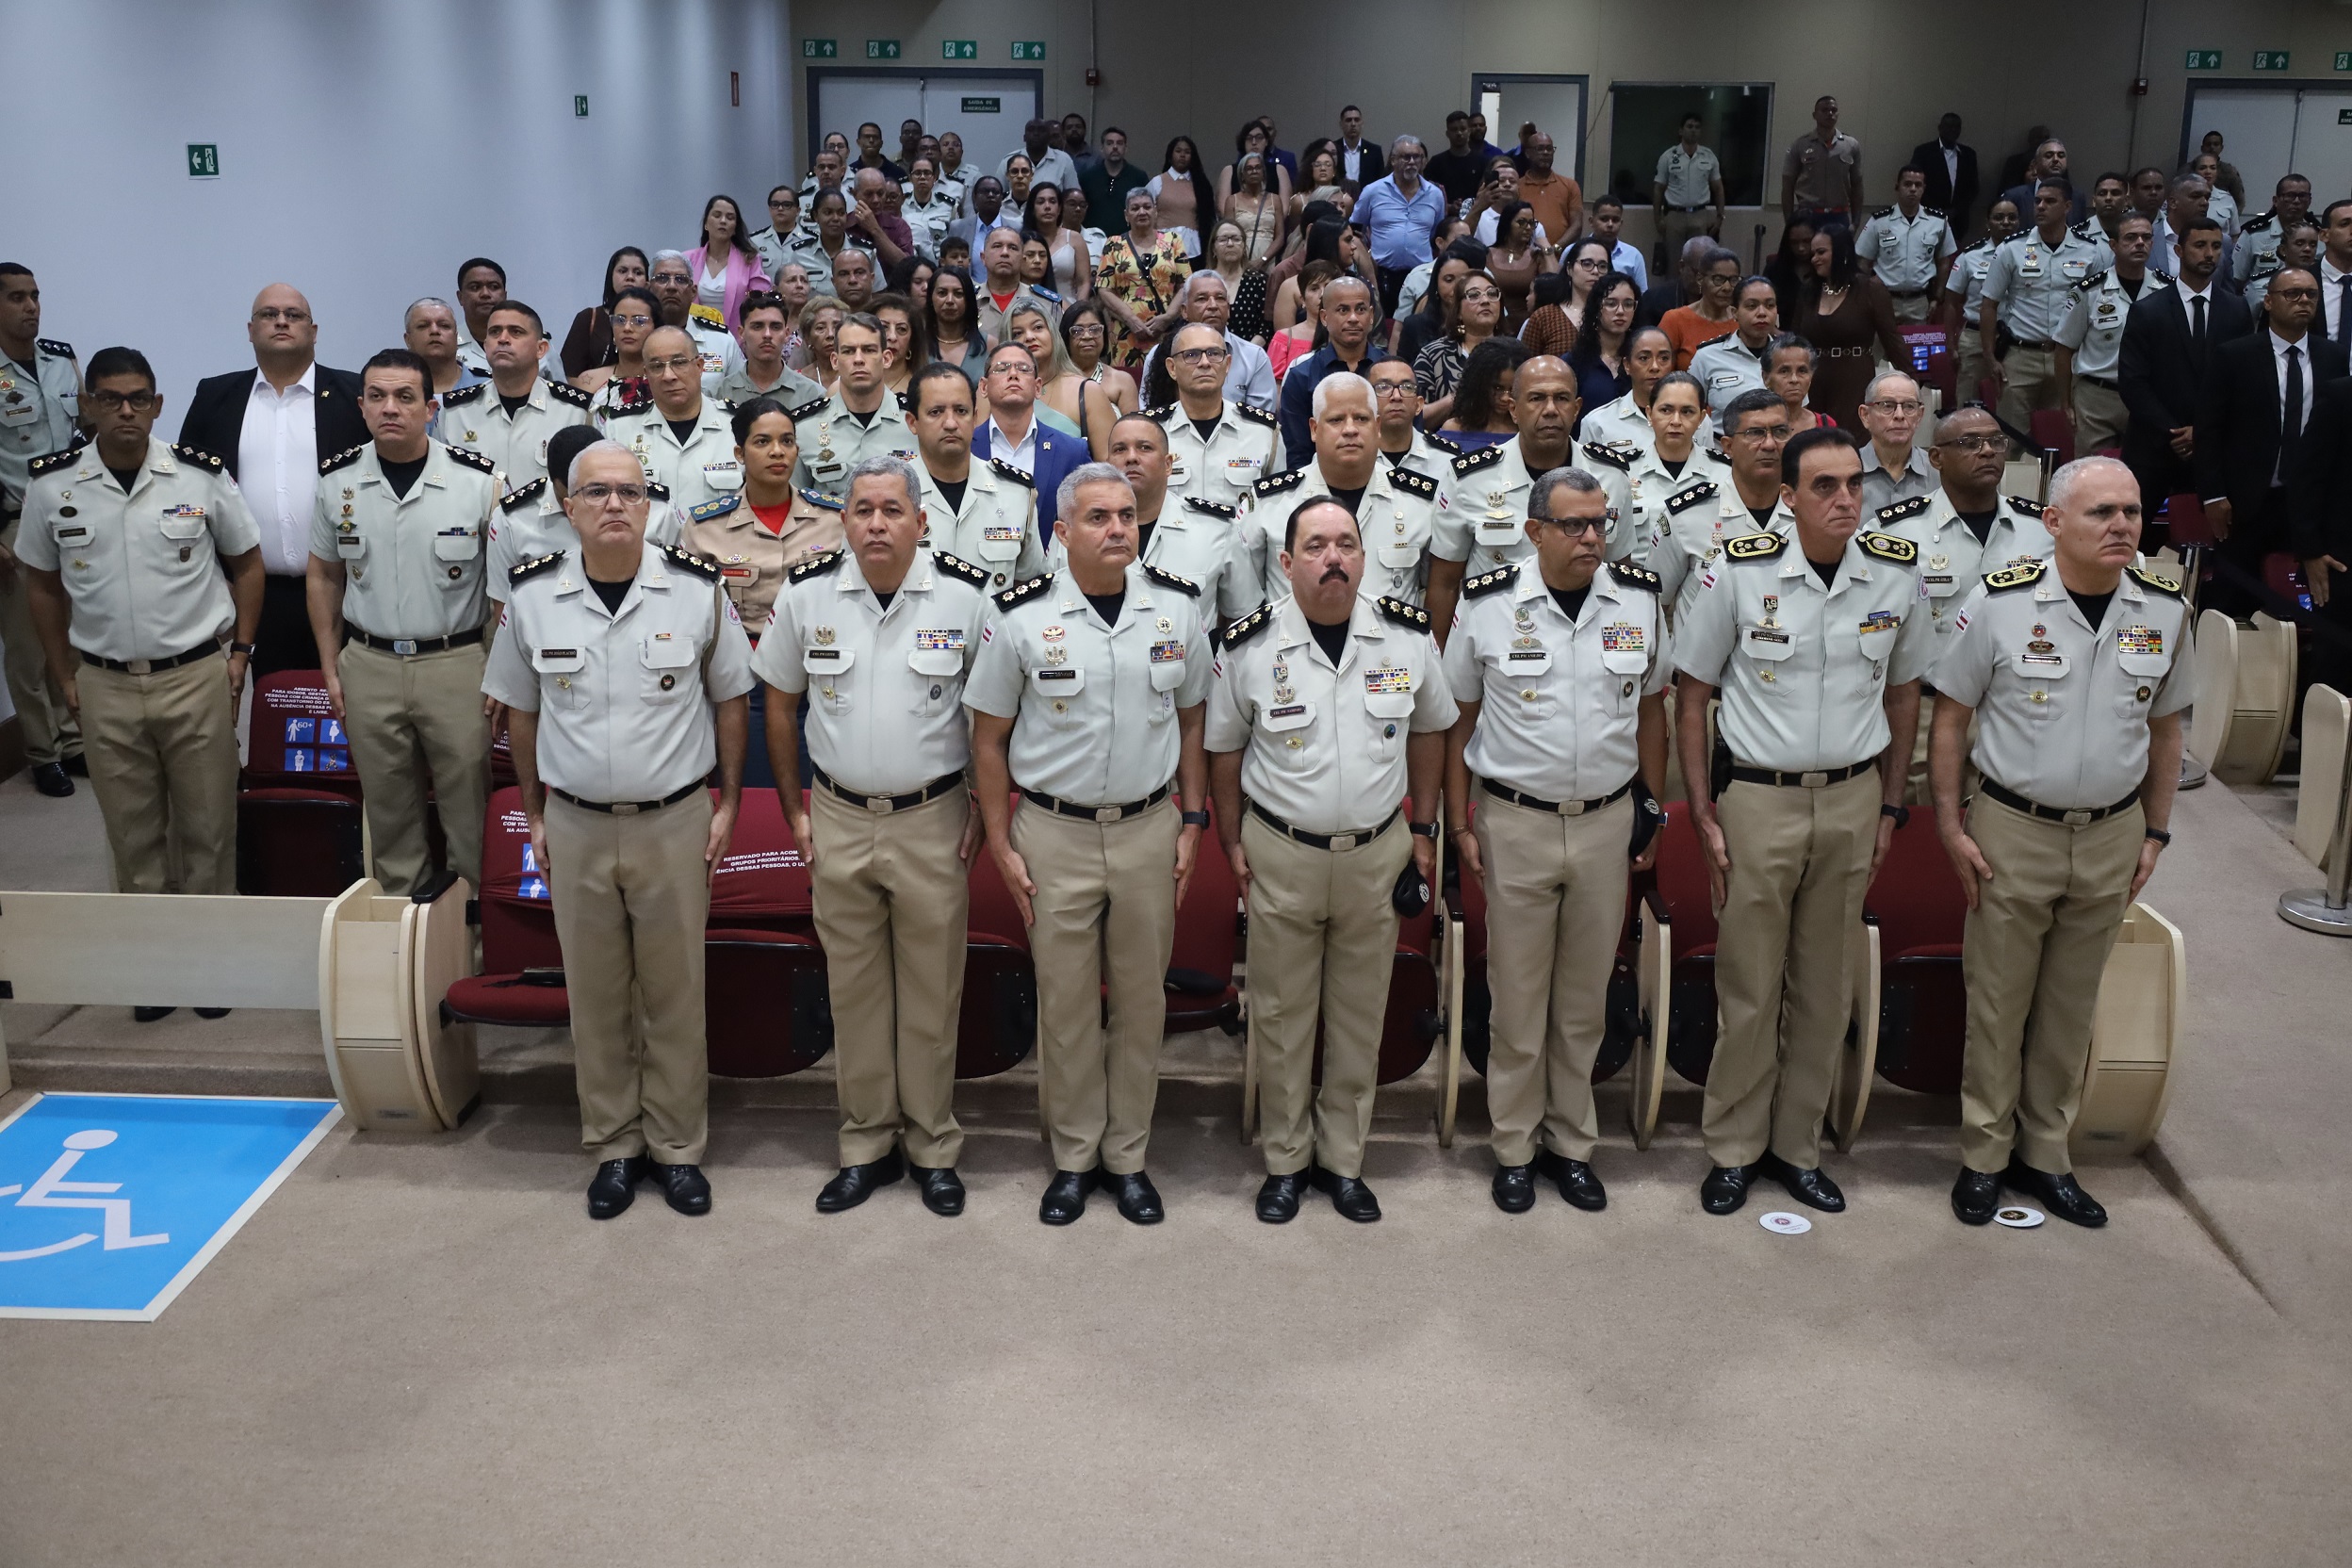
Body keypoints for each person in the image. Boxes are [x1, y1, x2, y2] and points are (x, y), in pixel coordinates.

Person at [485, 439, 750, 1219]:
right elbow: (521, 712)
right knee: (597, 998)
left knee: (675, 993)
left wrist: (727, 802)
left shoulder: (696, 591)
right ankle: (613, 1144)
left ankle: (676, 1147)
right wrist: (533, 813)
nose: (613, 505)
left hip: (673, 820)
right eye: (595, 493)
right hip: (573, 825)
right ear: (567, 508)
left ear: (650, 505)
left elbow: (730, 697)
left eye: (630, 493)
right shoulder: (534, 597)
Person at [1674, 427, 1931, 1216]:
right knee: (1749, 985)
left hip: (1853, 796)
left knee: (1827, 987)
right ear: (1788, 497)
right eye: (1824, 486)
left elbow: (1905, 694)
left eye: (1853, 483)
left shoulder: (1895, 575)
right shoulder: (1739, 572)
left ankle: (1797, 1146)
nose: (1845, 498)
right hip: (1760, 797)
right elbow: (1690, 694)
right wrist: (1704, 813)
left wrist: (1890, 805)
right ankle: (1733, 1147)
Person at [1931, 456, 2187, 1228]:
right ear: (2053, 523)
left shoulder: (2164, 606)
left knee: (2072, 1004)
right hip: (2015, 826)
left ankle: (2046, 1154)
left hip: (2112, 830)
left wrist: (2156, 830)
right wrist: (1948, 822)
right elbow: (1951, 716)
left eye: (2132, 513)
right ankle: (1983, 1155)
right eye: (2101, 512)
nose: (2121, 527)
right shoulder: (2002, 603)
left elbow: (2168, 726)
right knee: (2001, 1001)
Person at [965, 463, 1213, 1226]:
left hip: (1147, 829)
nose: (1117, 530)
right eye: (1099, 517)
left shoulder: (1175, 612)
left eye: (1128, 516)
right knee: (1067, 1006)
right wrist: (1002, 842)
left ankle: (1128, 1158)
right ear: (1061, 532)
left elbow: (1196, 717)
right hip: (1054, 834)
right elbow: (989, 737)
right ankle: (1074, 1158)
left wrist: (1195, 821)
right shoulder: (1020, 617)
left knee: (1139, 1004)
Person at [1207, 496, 1455, 1222]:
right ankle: (1285, 1160)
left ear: (1364, 555)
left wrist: (1425, 828)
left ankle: (1343, 1160)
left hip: (1377, 852)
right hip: (1282, 850)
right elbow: (1223, 749)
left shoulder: (1405, 637)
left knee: (1359, 1013)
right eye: (1314, 546)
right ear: (1286, 564)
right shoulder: (1250, 645)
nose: (1333, 558)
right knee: (1282, 1015)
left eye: (1345, 543)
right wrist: (1230, 839)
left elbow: (1432, 730)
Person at [1442, 466, 1666, 1213]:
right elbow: (1457, 716)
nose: (1592, 537)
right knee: (1516, 995)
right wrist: (1458, 815)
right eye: (1574, 525)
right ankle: (1513, 1144)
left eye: (1600, 523)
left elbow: (1653, 709)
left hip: (1605, 821)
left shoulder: (1636, 598)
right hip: (1515, 821)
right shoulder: (1490, 604)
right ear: (1535, 530)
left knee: (1583, 1001)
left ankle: (1570, 1143)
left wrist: (1653, 808)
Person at [19, 347, 263, 988]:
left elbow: (248, 563)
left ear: (157, 406)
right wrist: (63, 672)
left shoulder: (199, 476)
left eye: (138, 399)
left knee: (210, 825)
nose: (124, 411)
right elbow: (41, 585)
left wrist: (239, 653)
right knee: (132, 832)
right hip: (103, 681)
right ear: (88, 405)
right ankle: (156, 970)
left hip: (195, 675)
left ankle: (216, 965)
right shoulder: (53, 486)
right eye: (109, 399)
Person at [306, 348, 498, 897]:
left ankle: (471, 934)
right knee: (389, 814)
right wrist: (331, 666)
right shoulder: (335, 483)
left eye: (405, 397)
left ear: (431, 407)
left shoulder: (478, 482)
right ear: (363, 407)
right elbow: (323, 577)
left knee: (469, 813)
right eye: (378, 397)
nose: (391, 408)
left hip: (457, 664)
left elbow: (502, 593)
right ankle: (401, 930)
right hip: (368, 664)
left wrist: (499, 673)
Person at [174, 284, 368, 679]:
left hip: (346, 591)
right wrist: (213, 576)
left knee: (352, 716)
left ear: (314, 331)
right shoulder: (216, 396)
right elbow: (188, 491)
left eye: (294, 315)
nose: (281, 321)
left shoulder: (354, 394)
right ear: (250, 329)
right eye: (268, 314)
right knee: (272, 715)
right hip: (253, 595)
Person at [2197, 267, 2346, 618]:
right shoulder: (2235, 356)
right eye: (2292, 294)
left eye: (2311, 294)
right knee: (2234, 598)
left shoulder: (2333, 357)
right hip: (2247, 498)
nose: (2303, 301)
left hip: (2310, 503)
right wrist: (2213, 494)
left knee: (2305, 601)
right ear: (2268, 301)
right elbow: (2209, 429)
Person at [1240, 372, 1442, 607]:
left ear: (1377, 427)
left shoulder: (1420, 503)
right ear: (1314, 429)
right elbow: (1245, 597)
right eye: (1336, 420)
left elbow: (1435, 589)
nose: (1350, 430)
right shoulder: (1269, 503)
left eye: (1361, 419)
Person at [0, 264, 85, 795]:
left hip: (72, 520)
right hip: (17, 524)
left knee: (71, 637)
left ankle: (75, 741)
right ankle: (42, 752)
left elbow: (84, 432)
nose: (30, 307)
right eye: (15, 298)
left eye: (34, 296)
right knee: (29, 648)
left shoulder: (60, 359)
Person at [1874, 403, 2054, 649]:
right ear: (1937, 458)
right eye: (1970, 444)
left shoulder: (2043, 530)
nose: (1988, 451)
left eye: (1997, 442)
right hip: (1928, 685)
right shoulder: (1895, 532)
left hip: (2015, 683)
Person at [1429, 355, 1585, 629]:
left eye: (1561, 398)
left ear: (1576, 408)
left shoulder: (1608, 477)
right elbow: (1444, 584)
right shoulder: (1470, 479)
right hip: (1494, 642)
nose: (1550, 410)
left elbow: (1619, 578)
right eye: (1536, 398)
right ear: (1513, 409)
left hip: (1583, 638)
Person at [678, 396, 842, 651]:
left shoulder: (833, 520)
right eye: (762, 441)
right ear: (739, 453)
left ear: (797, 450)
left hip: (818, 656)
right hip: (740, 665)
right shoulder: (706, 527)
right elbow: (688, 610)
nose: (777, 451)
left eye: (787, 441)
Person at [2118, 217, 2247, 521]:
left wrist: (2202, 431)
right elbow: (2133, 383)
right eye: (2200, 245)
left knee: (2213, 537)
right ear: (2178, 251)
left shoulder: (2236, 310)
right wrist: (2174, 432)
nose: (2209, 254)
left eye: (2216, 246)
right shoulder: (2148, 311)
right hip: (2154, 445)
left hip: (2214, 447)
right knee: (2131, 531)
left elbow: (2241, 381)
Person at [1102, 412, 1260, 625]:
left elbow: (1242, 616)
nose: (1131, 457)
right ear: (1107, 464)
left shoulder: (1217, 530)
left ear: (1168, 465)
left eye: (1144, 447)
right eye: (1120, 449)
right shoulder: (1079, 530)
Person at [1647, 388, 1795, 612]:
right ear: (1728, 446)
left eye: (1780, 431)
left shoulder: (1807, 511)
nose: (1769, 444)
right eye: (1755, 433)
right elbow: (1655, 602)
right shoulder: (1686, 517)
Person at [906, 361, 1048, 593]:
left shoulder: (1016, 494)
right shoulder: (890, 493)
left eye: (961, 411)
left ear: (975, 418)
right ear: (913, 423)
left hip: (992, 628)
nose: (951, 423)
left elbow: (1028, 583)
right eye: (936, 412)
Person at [437, 301, 593, 492]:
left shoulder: (576, 410)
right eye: (495, 332)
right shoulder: (455, 411)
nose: (503, 339)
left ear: (541, 349)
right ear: (486, 347)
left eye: (516, 332)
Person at [602, 325, 747, 515]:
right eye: (656, 367)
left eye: (679, 363)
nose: (668, 376)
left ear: (699, 366)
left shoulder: (736, 427)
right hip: (648, 544)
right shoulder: (619, 430)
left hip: (719, 544)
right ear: (646, 374)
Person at [1151, 321, 1283, 512]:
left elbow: (1278, 513)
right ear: (1172, 368)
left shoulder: (1263, 432)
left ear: (1227, 364)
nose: (1205, 363)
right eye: (1192, 355)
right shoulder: (1150, 433)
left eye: (1214, 354)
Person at [2054, 213, 2158, 456]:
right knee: (2093, 474)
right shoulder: (2088, 291)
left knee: (2145, 472)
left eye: (2146, 237)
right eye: (2131, 238)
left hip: (2148, 396)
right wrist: (2066, 403)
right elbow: (2064, 349)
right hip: (2097, 397)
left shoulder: (2165, 289)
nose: (2140, 243)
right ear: (2113, 245)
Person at [791, 313, 921, 498]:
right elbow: (793, 504)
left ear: (886, 359)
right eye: (849, 351)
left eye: (868, 350)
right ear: (835, 361)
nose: (859, 359)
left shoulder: (916, 423)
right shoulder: (804, 429)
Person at [1794, 227, 1909, 431]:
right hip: (1814, 378)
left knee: (1847, 437)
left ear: (1841, 252)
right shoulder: (1809, 290)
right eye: (1813, 254)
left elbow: (1892, 339)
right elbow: (1796, 338)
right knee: (1812, 438)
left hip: (1853, 376)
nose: (1814, 259)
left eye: (1821, 252)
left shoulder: (1869, 288)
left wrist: (1911, 382)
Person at [1610, 368, 1728, 565]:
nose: (1675, 421)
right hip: (1638, 588)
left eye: (1687, 412)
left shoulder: (1725, 473)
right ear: (1649, 413)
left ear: (1701, 419)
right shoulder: (1622, 472)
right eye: (1666, 410)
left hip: (1703, 588)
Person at [972, 339, 1089, 533]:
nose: (1013, 374)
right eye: (1002, 369)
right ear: (983, 387)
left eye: (1023, 369)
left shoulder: (1071, 451)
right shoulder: (965, 447)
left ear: (1037, 387)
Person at [1097, 188, 1192, 371]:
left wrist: (1167, 317)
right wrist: (1131, 319)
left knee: (1165, 381)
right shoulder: (1114, 244)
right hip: (1126, 332)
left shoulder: (1173, 241)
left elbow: (1186, 285)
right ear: (1126, 215)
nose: (1142, 212)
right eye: (1135, 208)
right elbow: (1104, 289)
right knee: (1127, 384)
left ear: (1155, 211)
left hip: (1166, 330)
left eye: (1147, 207)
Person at [1855, 168, 1959, 323]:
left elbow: (1944, 263)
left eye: (1918, 185)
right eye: (1907, 184)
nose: (1913, 189)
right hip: (1884, 299)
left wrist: (1937, 298)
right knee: (1880, 346)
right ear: (1897, 187)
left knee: (1917, 347)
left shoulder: (1938, 222)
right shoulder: (1879, 221)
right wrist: (1863, 297)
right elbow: (1863, 263)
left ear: (1924, 189)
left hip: (1920, 301)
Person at [1944, 197, 2021, 400]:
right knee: (1970, 403)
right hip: (1976, 339)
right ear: (1988, 223)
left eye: (2012, 218)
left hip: (2015, 341)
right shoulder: (1970, 257)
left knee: (2008, 403)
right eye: (1999, 218)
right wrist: (1950, 345)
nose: (2006, 222)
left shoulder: (2030, 257)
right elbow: (1951, 302)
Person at [1358, 138, 1446, 317]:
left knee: (1418, 326)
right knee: (1383, 327)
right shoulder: (1373, 191)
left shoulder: (1435, 194)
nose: (1412, 162)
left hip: (1422, 276)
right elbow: (1356, 229)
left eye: (1417, 157)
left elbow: (1436, 234)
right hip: (1382, 276)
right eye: (1406, 157)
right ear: (1393, 160)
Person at [1413, 270, 1504, 429]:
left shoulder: (1513, 354)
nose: (1485, 300)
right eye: (1474, 295)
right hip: (1445, 447)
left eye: (1491, 294)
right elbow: (1416, 417)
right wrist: (1457, 398)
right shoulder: (1433, 354)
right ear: (1458, 312)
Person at [710, 291, 827, 410]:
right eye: (757, 326)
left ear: (787, 334)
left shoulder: (813, 395)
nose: (767, 334)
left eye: (775, 327)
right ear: (741, 333)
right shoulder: (716, 395)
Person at [647, 251, 747, 383]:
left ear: (693, 292)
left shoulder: (722, 341)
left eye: (680, 279)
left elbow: (742, 392)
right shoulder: (636, 339)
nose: (671, 286)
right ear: (648, 289)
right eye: (662, 278)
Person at [1687, 275, 1780, 416]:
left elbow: (1800, 414)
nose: (1762, 313)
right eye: (1752, 306)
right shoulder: (1707, 356)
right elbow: (1689, 410)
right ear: (1734, 313)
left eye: (1770, 305)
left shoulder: (1787, 355)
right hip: (1722, 437)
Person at [686, 194, 774, 341]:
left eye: (730, 217)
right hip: (694, 338)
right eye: (717, 215)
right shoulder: (687, 259)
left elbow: (760, 304)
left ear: (734, 228)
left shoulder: (750, 260)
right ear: (706, 224)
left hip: (736, 340)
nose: (723, 221)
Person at [1578, 324, 1677, 449]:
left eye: (1664, 358)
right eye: (1644, 358)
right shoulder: (1598, 423)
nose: (1655, 367)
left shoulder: (1695, 419)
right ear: (1627, 365)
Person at [575, 286, 662, 424]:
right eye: (620, 320)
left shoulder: (668, 379)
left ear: (656, 327)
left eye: (639, 321)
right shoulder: (589, 381)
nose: (627, 328)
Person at [561, 247, 649, 381]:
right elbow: (568, 376)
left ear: (647, 282)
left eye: (638, 272)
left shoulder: (654, 319)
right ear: (611, 277)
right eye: (623, 271)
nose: (630, 277)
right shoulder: (589, 318)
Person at [1854, 368, 1936, 514]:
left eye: (1909, 406)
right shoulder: (1845, 472)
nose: (1899, 415)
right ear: (1865, 415)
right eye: (1887, 406)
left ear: (1919, 415)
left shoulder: (1940, 473)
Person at [1782, 96, 1865, 231]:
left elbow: (1857, 184)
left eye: (1834, 110)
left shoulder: (1851, 145)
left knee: (1838, 252)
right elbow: (1787, 185)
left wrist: (1855, 223)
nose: (1830, 113)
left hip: (1839, 216)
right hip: (1808, 216)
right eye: (1825, 110)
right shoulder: (1800, 145)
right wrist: (1790, 222)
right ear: (1815, 115)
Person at [1568, 272, 1642, 420]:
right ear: (1597, 307)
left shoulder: (1642, 360)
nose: (1620, 311)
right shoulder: (1574, 362)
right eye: (1611, 303)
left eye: (1628, 304)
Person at [1655, 112, 1727, 260]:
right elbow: (1659, 188)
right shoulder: (1668, 156)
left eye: (1697, 127)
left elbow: (1718, 189)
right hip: (1675, 216)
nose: (1693, 130)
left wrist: (1719, 218)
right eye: (1689, 126)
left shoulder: (1708, 156)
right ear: (1681, 130)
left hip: (1700, 216)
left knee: (1700, 262)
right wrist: (1657, 218)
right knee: (1674, 263)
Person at [1660, 247, 1742, 369]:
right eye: (1718, 279)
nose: (1727, 287)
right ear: (1700, 279)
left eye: (1733, 280)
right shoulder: (1675, 320)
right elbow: (1660, 370)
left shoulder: (1742, 320)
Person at [2232, 174, 2315, 291]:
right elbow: (2236, 280)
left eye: (2302, 196)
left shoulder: (2319, 237)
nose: (2296, 201)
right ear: (2276, 201)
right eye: (2290, 196)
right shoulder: (2254, 234)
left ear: (2310, 200)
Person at [1060, 298, 1138, 416]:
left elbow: (1134, 432)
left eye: (1095, 329)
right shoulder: (1053, 378)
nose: (1087, 336)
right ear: (1066, 337)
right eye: (1077, 331)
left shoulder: (1122, 381)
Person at [1910, 113, 1980, 241]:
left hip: (1957, 220)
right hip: (1927, 216)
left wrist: (1956, 211)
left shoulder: (1969, 155)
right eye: (1949, 126)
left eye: (1957, 127)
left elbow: (1973, 188)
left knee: (1952, 258)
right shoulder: (1923, 152)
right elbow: (1915, 184)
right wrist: (1936, 210)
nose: (1953, 130)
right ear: (1940, 128)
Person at [1200, 220, 1271, 346]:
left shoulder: (1259, 281)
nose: (1230, 244)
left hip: (1250, 353)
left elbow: (1266, 326)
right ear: (1213, 248)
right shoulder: (1201, 281)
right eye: (1223, 239)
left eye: (1236, 239)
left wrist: (1246, 351)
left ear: (1244, 246)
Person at [1487, 204, 1553, 335]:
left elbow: (1553, 287)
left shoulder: (1537, 255)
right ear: (1507, 224)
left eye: (1531, 223)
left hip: (1528, 329)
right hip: (1493, 327)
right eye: (1521, 222)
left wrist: (1548, 251)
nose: (1528, 228)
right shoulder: (1487, 254)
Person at [1269, 261, 1339, 384]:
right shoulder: (1284, 339)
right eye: (1314, 288)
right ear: (1303, 299)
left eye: (1327, 287)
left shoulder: (1345, 334)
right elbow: (1275, 388)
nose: (1322, 294)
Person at [1021, 182, 1090, 303]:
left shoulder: (1075, 238)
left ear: (1059, 209)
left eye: (1052, 201)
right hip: (1029, 307)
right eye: (1041, 202)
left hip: (1069, 309)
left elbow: (1084, 283)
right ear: (1032, 208)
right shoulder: (1021, 240)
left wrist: (1077, 312)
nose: (1047, 206)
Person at [1515, 133, 1582, 255]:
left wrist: (1554, 249)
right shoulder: (1516, 187)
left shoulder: (1570, 185)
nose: (1546, 152)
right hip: (1525, 257)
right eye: (1540, 149)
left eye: (1549, 148)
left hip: (1560, 257)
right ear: (1528, 153)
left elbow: (1576, 225)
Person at [1999, 138, 2088, 227]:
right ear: (2035, 164)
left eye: (2061, 156)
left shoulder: (2077, 196)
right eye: (2049, 156)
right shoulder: (2014, 196)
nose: (2056, 159)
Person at [1078, 126, 1152, 232]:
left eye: (1119, 143)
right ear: (1102, 148)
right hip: (1093, 240)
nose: (1115, 147)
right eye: (1109, 143)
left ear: (1126, 148)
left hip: (1128, 239)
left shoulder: (1138, 177)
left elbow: (1146, 209)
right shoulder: (1087, 177)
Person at [401, 297, 477, 400]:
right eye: (423, 326)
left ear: (456, 337)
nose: (434, 331)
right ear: (408, 340)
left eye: (444, 325)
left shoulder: (488, 385)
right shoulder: (393, 390)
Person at [2244, 218, 2320, 314]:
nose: (2307, 249)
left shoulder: (2322, 283)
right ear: (2283, 250)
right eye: (2300, 243)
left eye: (2313, 245)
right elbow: (2249, 325)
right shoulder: (2260, 287)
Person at [1763, 335, 1831, 439]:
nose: (1794, 379)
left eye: (1802, 371)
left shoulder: (1826, 424)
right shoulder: (1754, 426)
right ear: (1766, 378)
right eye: (1784, 371)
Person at [2148, 174, 2210, 280]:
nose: (2205, 202)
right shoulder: (2145, 237)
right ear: (2172, 203)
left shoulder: (2222, 242)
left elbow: (2227, 292)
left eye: (2207, 197)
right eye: (2195, 196)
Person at [1425, 111, 1489, 207]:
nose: (1459, 133)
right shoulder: (1436, 162)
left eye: (1463, 129)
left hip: (1475, 216)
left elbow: (1485, 194)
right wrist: (1449, 206)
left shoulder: (1483, 162)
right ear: (1447, 133)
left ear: (1469, 131)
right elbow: (1426, 194)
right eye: (1454, 129)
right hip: (1444, 218)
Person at [1001, 119, 1079, 196]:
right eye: (1031, 130)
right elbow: (998, 193)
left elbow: (1073, 196)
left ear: (1049, 137)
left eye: (1041, 130)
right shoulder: (1009, 160)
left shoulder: (1064, 160)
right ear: (1024, 137)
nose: (1036, 133)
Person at [872, 291, 928, 399]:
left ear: (912, 340)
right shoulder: (847, 384)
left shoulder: (924, 388)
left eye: (901, 329)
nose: (892, 337)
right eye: (884, 327)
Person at [1587, 197, 1648, 290]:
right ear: (1591, 221)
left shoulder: (1633, 256)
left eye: (1615, 220)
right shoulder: (1573, 251)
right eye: (1604, 219)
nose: (1610, 224)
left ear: (1621, 223)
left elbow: (1643, 295)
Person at [790, 294, 843, 388]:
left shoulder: (858, 374)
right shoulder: (796, 380)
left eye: (837, 327)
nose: (830, 334)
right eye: (820, 328)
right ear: (807, 338)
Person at [1336, 106, 1384, 188]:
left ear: (1362, 123)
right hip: (1338, 198)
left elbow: (1380, 181)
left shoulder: (1374, 151)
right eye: (1348, 120)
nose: (1353, 124)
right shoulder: (1333, 149)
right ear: (1341, 124)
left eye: (1357, 120)